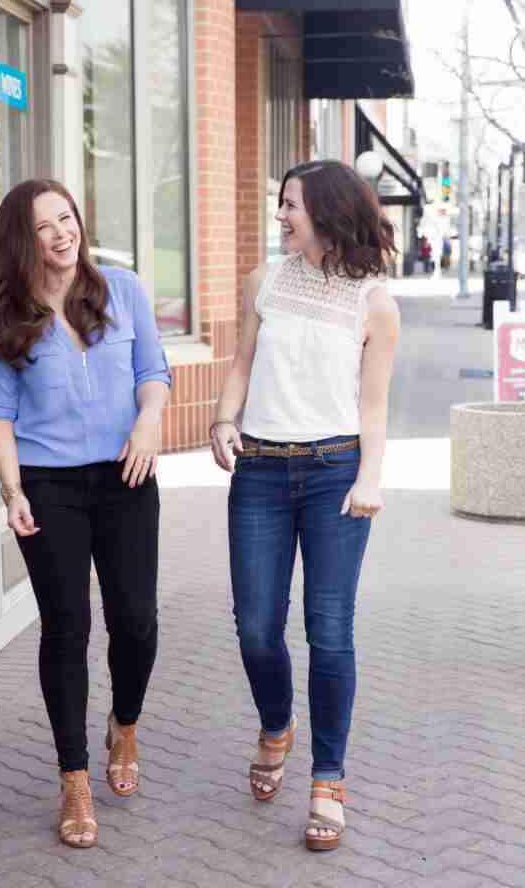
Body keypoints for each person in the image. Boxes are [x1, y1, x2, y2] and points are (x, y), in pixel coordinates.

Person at [210, 160, 400, 852]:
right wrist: (223, 422)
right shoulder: (262, 281)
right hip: (258, 470)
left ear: (325, 211)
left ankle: (327, 778)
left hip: (333, 474)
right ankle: (274, 725)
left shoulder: (374, 302)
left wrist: (369, 477)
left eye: (289, 204)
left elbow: (373, 406)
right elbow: (240, 365)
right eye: (279, 201)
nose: (280, 214)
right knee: (256, 627)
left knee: (329, 630)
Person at [0, 178, 171, 849]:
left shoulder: (123, 288)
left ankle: (124, 723)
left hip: (126, 474)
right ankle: (75, 779)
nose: (62, 234)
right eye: (44, 227)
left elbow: (155, 371)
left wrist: (148, 423)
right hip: (48, 484)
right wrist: (12, 490)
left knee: (136, 621)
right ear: (20, 243)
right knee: (67, 628)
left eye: (67, 218)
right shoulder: (5, 315)